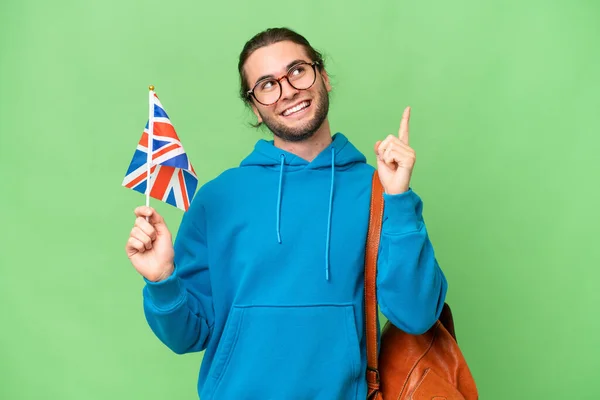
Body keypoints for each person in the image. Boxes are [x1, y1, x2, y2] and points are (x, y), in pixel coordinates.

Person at [125, 27, 448, 399]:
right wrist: (163, 280)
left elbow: (417, 314)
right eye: (266, 84)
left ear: (323, 77)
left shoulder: (380, 191)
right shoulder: (217, 199)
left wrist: (400, 200)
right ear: (255, 108)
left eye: (297, 71)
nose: (287, 90)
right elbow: (187, 336)